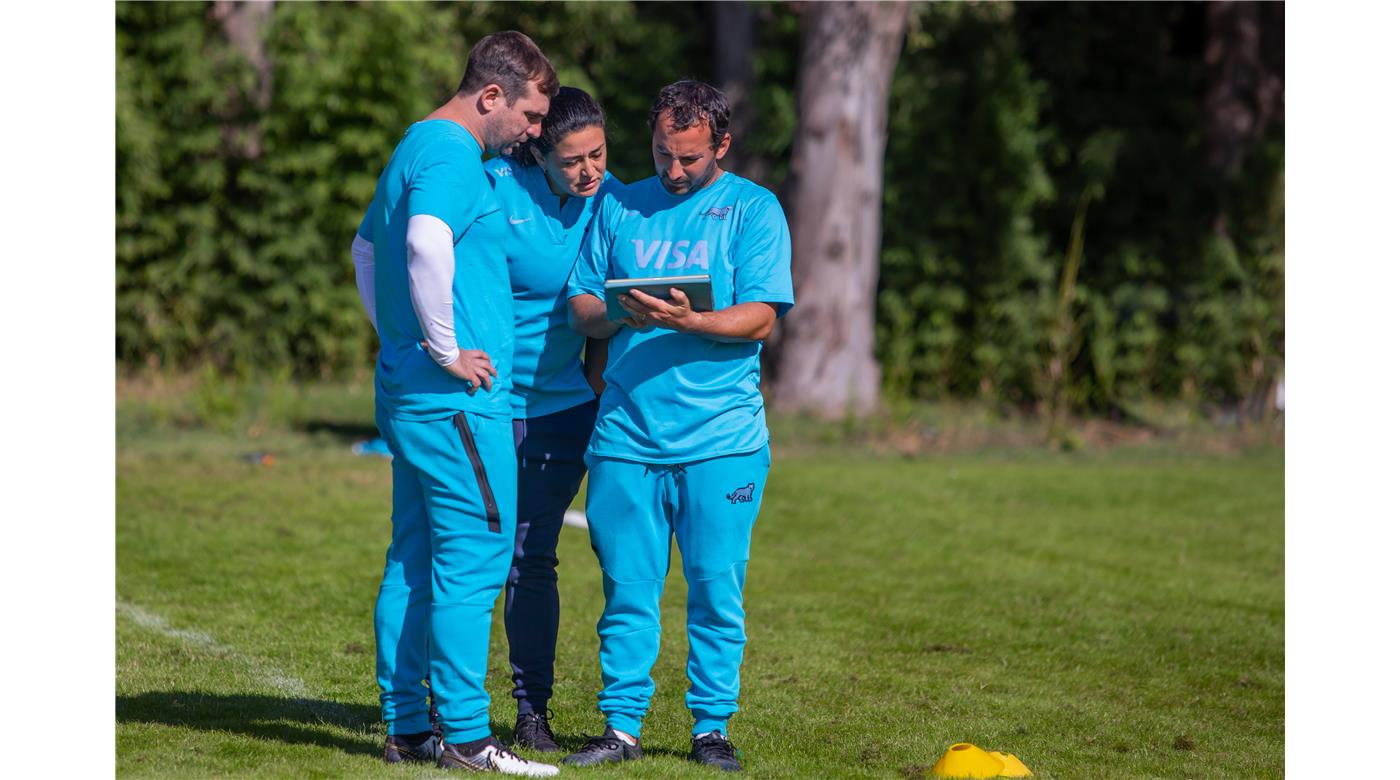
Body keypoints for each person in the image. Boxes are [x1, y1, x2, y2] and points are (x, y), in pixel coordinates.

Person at [560, 80, 794, 773]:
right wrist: (620, 314)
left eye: (689, 157)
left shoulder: (754, 210)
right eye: (663, 153)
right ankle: (620, 727)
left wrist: (689, 321)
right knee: (627, 590)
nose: (673, 169)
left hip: (722, 442)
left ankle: (711, 727)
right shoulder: (618, 204)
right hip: (626, 437)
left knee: (717, 592)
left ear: (721, 145)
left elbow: (761, 316)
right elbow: (580, 306)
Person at [350, 31, 561, 777]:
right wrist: (442, 349)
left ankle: (408, 728)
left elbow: (363, 250)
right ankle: (469, 737)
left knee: (414, 557)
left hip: (413, 394)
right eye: (532, 116)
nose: (537, 131)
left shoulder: (412, 145)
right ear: (491, 96)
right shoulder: (450, 154)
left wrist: (402, 341)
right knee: (476, 558)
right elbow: (422, 245)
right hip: (457, 402)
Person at [482, 86, 625, 752]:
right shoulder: (492, 184)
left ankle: (530, 713)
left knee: (531, 560)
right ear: (539, 152)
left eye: (597, 154)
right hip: (485, 406)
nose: (588, 171)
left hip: (565, 409)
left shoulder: (612, 200)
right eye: (572, 161)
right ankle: (431, 705)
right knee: (473, 558)